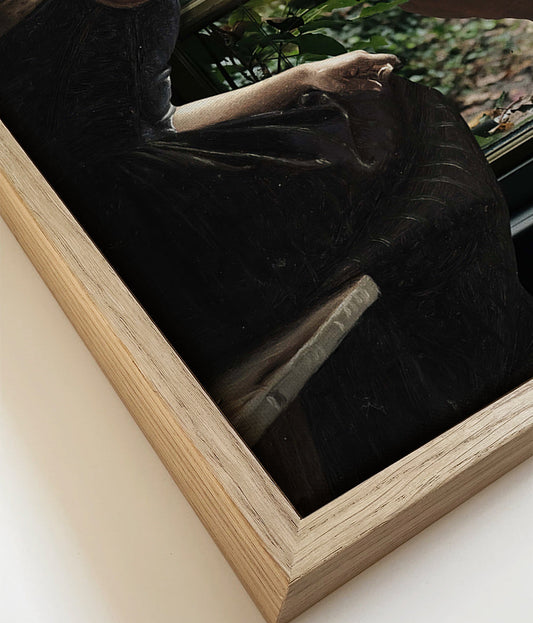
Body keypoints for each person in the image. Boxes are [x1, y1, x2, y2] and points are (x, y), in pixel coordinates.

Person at [1, 0, 531, 515]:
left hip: (132, 215)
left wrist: (303, 77)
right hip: (128, 233)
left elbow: (155, 124)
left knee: (410, 148)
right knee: (411, 142)